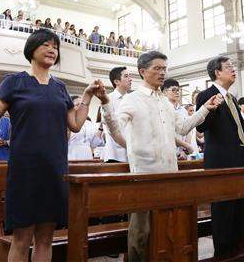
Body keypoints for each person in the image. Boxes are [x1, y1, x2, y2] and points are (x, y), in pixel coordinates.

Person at [0, 29, 98, 262]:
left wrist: (87, 96)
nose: (52, 50)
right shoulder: (14, 82)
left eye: (55, 47)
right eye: (46, 45)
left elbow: (75, 124)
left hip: (54, 169)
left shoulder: (60, 87)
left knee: (45, 238)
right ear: (32, 49)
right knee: (21, 239)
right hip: (25, 170)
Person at [96, 51, 223, 261]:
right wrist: (105, 102)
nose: (162, 73)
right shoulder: (131, 100)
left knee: (167, 229)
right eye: (157, 68)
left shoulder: (165, 102)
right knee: (141, 232)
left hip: (170, 173)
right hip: (144, 175)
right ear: (142, 71)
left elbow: (182, 128)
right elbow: (115, 128)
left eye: (164, 68)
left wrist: (204, 109)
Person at [195, 56, 244, 258]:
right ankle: (223, 255)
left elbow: (238, 127)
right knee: (224, 212)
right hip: (221, 163)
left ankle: (237, 252)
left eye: (233, 66)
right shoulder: (207, 95)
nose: (233, 69)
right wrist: (211, 108)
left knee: (239, 209)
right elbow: (201, 126)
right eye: (228, 67)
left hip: (239, 160)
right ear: (217, 73)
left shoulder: (230, 98)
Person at [101, 66, 132, 163]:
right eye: (126, 76)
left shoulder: (133, 99)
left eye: (130, 76)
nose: (130, 79)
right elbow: (109, 126)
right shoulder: (108, 99)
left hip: (132, 151)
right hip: (114, 153)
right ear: (116, 81)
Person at [161, 78, 196, 159]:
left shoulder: (183, 110)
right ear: (165, 92)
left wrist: (185, 150)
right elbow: (167, 133)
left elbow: (188, 130)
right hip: (168, 152)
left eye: (178, 90)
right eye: (173, 90)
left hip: (183, 152)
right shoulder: (163, 108)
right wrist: (186, 146)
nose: (177, 92)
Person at [67, 96, 104, 160]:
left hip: (87, 156)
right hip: (72, 156)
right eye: (77, 105)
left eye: (82, 105)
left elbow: (94, 144)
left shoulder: (89, 123)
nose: (80, 107)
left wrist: (101, 127)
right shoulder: (68, 121)